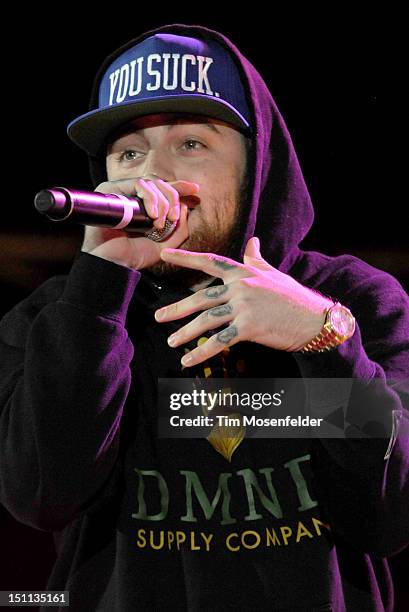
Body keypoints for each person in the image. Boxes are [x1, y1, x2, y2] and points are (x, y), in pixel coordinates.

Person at [0, 23, 408, 612]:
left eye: (191, 143)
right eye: (130, 152)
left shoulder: (353, 300)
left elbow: (389, 516)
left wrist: (323, 342)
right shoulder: (56, 319)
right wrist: (96, 300)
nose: (153, 175)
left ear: (257, 166)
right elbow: (41, 496)